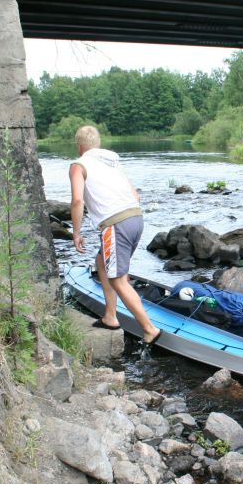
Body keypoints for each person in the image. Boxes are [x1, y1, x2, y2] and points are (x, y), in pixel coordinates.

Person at [69, 125, 162, 345]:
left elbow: (77, 201)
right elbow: (134, 195)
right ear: (97, 144)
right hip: (136, 218)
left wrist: (76, 233)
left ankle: (149, 329)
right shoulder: (112, 162)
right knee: (102, 262)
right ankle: (110, 316)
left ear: (80, 146)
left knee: (118, 280)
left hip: (115, 224)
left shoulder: (78, 165)